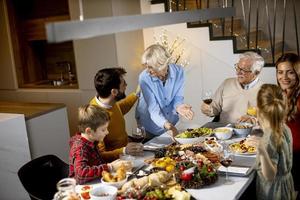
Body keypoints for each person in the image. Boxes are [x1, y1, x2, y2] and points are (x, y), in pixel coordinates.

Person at [135, 44, 194, 139]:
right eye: (146, 66)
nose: (148, 70)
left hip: (171, 121)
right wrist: (169, 126)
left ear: (162, 64)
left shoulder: (179, 72)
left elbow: (178, 98)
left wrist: (179, 107)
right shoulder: (144, 77)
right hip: (150, 123)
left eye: (151, 67)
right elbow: (153, 110)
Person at [69, 104, 132, 184]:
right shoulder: (80, 148)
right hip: (80, 189)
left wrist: (117, 161)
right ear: (89, 131)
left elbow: (98, 160)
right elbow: (81, 175)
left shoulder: (92, 141)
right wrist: (110, 167)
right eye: (103, 130)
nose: (107, 132)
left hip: (94, 183)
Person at [90, 68, 143, 162]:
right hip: (117, 163)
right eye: (123, 84)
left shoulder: (110, 102)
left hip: (128, 152)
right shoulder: (95, 116)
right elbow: (100, 155)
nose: (126, 85)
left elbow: (119, 110)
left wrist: (136, 94)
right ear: (114, 92)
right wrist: (124, 150)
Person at [255, 84, 295, 199]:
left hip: (272, 192)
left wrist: (262, 151)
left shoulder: (269, 137)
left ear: (258, 108)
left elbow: (270, 176)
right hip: (285, 187)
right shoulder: (284, 127)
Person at [201, 51, 264, 123]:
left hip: (251, 132)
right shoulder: (227, 83)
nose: (237, 72)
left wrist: (255, 119)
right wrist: (208, 109)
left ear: (256, 72)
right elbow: (215, 109)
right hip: (224, 130)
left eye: (244, 70)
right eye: (238, 67)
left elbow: (270, 119)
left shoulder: (266, 90)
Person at [275, 53, 300, 192]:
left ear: (298, 74)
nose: (284, 77)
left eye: (290, 72)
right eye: (280, 72)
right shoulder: (283, 94)